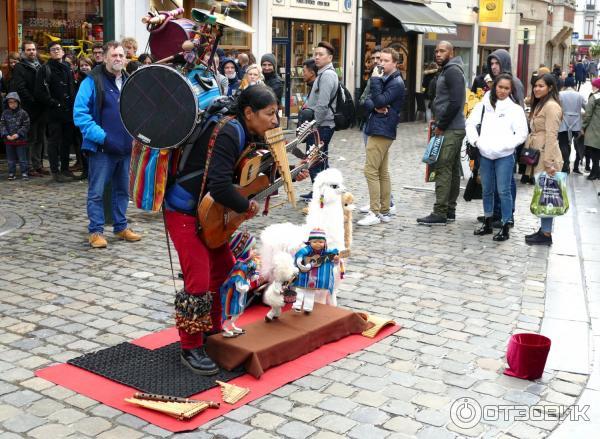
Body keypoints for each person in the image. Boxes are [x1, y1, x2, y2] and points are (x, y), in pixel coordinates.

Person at [161, 85, 277, 374]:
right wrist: (244, 206)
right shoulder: (230, 132)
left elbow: (241, 177)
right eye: (270, 114)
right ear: (249, 113)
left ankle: (211, 330)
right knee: (198, 279)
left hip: (207, 214)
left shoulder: (245, 131)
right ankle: (190, 348)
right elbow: (220, 185)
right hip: (184, 211)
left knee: (224, 267)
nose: (275, 121)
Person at [74, 40, 141, 249]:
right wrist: (103, 138)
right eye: (114, 55)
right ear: (104, 57)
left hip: (125, 148)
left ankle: (121, 226)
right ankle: (95, 231)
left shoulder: (129, 80)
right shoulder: (92, 81)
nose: (118, 59)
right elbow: (80, 115)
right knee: (96, 192)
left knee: (122, 191)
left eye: (121, 56)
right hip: (102, 149)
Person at [467, 74, 528, 241]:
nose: (502, 91)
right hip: (485, 153)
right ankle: (487, 222)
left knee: (504, 190)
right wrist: (477, 141)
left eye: (506, 88)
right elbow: (470, 124)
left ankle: (505, 225)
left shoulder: (515, 109)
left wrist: (507, 145)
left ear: (511, 90)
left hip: (505, 155)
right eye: (500, 87)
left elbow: (522, 133)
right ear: (494, 86)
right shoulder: (483, 105)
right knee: (487, 190)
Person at [417, 41, 466, 225]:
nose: (438, 54)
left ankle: (440, 212)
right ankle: (450, 211)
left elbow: (455, 102)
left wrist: (442, 125)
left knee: (443, 169)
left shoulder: (453, 71)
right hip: (451, 127)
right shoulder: (447, 70)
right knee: (451, 170)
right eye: (436, 51)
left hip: (451, 128)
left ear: (451, 53)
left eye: (442, 51)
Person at [357, 47, 405, 227]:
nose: (380, 63)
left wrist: (375, 80)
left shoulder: (395, 82)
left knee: (370, 170)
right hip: (379, 125)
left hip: (382, 129)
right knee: (382, 171)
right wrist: (376, 105)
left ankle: (375, 212)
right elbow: (369, 100)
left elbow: (378, 100)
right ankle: (384, 211)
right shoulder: (387, 79)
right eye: (380, 60)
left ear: (395, 63)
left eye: (385, 61)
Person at [524, 74, 563, 246]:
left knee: (548, 195)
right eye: (535, 86)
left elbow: (552, 135)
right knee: (544, 194)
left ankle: (546, 234)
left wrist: (549, 163)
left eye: (541, 86)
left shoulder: (552, 106)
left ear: (550, 87)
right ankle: (544, 230)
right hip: (539, 153)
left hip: (548, 156)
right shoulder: (542, 104)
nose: (536, 89)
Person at [300, 41, 339, 200]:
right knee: (320, 160)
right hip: (320, 125)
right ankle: (325, 191)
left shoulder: (328, 75)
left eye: (320, 54)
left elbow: (322, 105)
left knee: (315, 161)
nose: (316, 57)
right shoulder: (323, 73)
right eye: (315, 54)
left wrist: (313, 125)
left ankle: (322, 195)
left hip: (321, 126)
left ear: (329, 58)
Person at [35, 41, 77, 182]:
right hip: (54, 112)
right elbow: (40, 92)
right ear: (49, 52)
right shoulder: (45, 69)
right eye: (53, 49)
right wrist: (54, 103)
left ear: (63, 51)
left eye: (58, 49)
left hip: (68, 112)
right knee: (54, 142)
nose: (56, 51)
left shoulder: (67, 67)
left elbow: (71, 88)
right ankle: (55, 170)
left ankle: (65, 169)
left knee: (66, 141)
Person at [12, 41, 47, 176]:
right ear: (23, 52)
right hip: (29, 107)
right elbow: (20, 87)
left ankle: (38, 164)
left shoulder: (41, 65)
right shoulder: (20, 67)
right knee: (30, 138)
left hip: (41, 108)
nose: (31, 52)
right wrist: (32, 100)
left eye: (33, 49)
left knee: (40, 137)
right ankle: (29, 167)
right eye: (28, 50)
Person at [292, 229, 339, 313]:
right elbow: (300, 254)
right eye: (315, 242)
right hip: (304, 275)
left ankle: (308, 307)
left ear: (324, 243)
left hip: (314, 277)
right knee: (300, 290)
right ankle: (297, 305)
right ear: (309, 242)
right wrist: (300, 262)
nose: (318, 244)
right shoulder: (307, 250)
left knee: (310, 292)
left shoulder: (325, 252)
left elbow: (333, 254)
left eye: (321, 242)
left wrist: (335, 256)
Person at [558, 75, 586, 173]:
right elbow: (586, 107)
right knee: (578, 144)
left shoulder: (560, 94)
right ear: (574, 85)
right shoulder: (579, 95)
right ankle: (576, 166)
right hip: (577, 124)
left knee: (564, 144)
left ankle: (566, 165)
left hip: (563, 122)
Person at [1, 92, 30, 180]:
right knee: (10, 159)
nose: (12, 104)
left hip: (20, 140)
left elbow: (26, 125)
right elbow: (2, 125)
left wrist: (18, 134)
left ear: (18, 102)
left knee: (22, 158)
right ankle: (11, 173)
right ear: (7, 103)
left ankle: (24, 172)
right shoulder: (5, 113)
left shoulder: (23, 113)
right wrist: (6, 135)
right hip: (9, 140)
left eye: (14, 102)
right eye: (10, 102)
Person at [582, 78, 600, 180]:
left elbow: (588, 114)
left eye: (593, 85)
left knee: (594, 152)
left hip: (594, 129)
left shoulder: (594, 97)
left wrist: (583, 126)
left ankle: (594, 173)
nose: (592, 87)